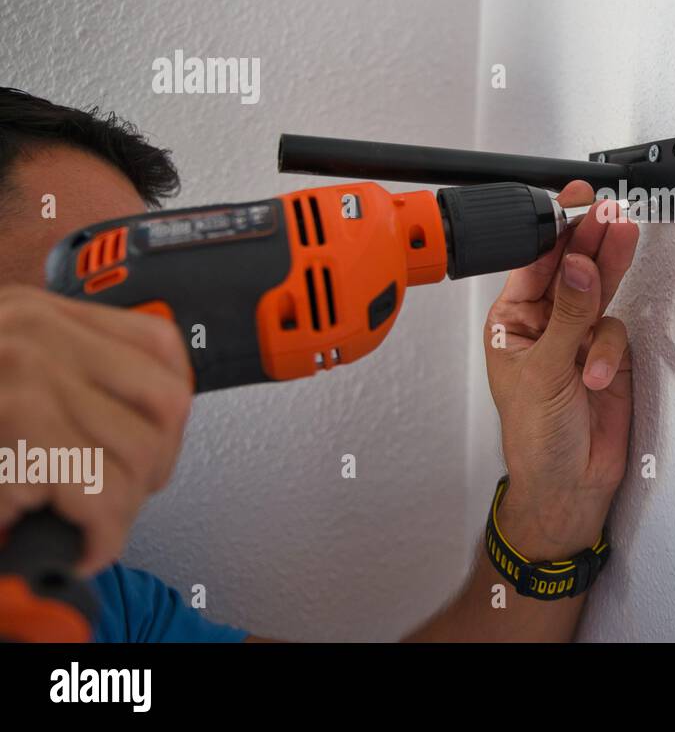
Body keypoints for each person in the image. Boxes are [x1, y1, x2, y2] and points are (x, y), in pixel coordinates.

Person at [0, 88, 638, 641]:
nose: (116, 347)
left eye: (128, 300)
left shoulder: (94, 608)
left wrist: (552, 507)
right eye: (66, 298)